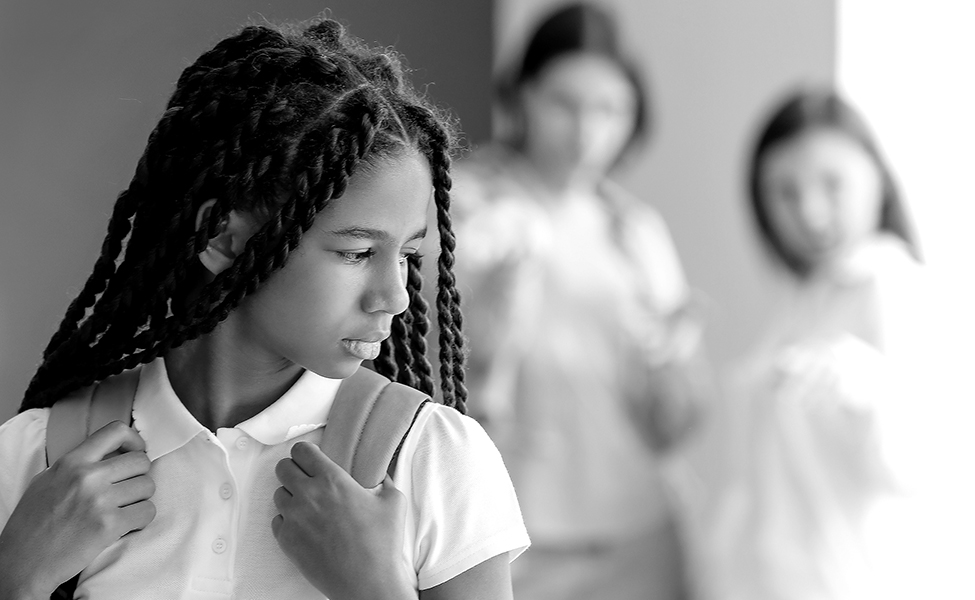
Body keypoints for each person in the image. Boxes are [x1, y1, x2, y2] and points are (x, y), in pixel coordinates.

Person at [0, 19, 528, 600]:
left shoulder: (430, 459)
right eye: (357, 252)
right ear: (222, 237)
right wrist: (17, 575)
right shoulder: (39, 461)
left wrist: (378, 589)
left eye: (406, 254)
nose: (397, 297)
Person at [451, 4, 709, 599]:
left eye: (609, 109)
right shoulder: (467, 205)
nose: (587, 131)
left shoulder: (636, 230)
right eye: (564, 104)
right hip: (515, 533)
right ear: (523, 95)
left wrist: (673, 362)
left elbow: (676, 421)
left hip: (639, 528)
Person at [672, 89, 926, 600]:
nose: (810, 213)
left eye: (833, 184)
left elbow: (914, 465)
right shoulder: (808, 296)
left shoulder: (887, 286)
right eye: (784, 193)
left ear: (876, 174)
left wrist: (861, 383)